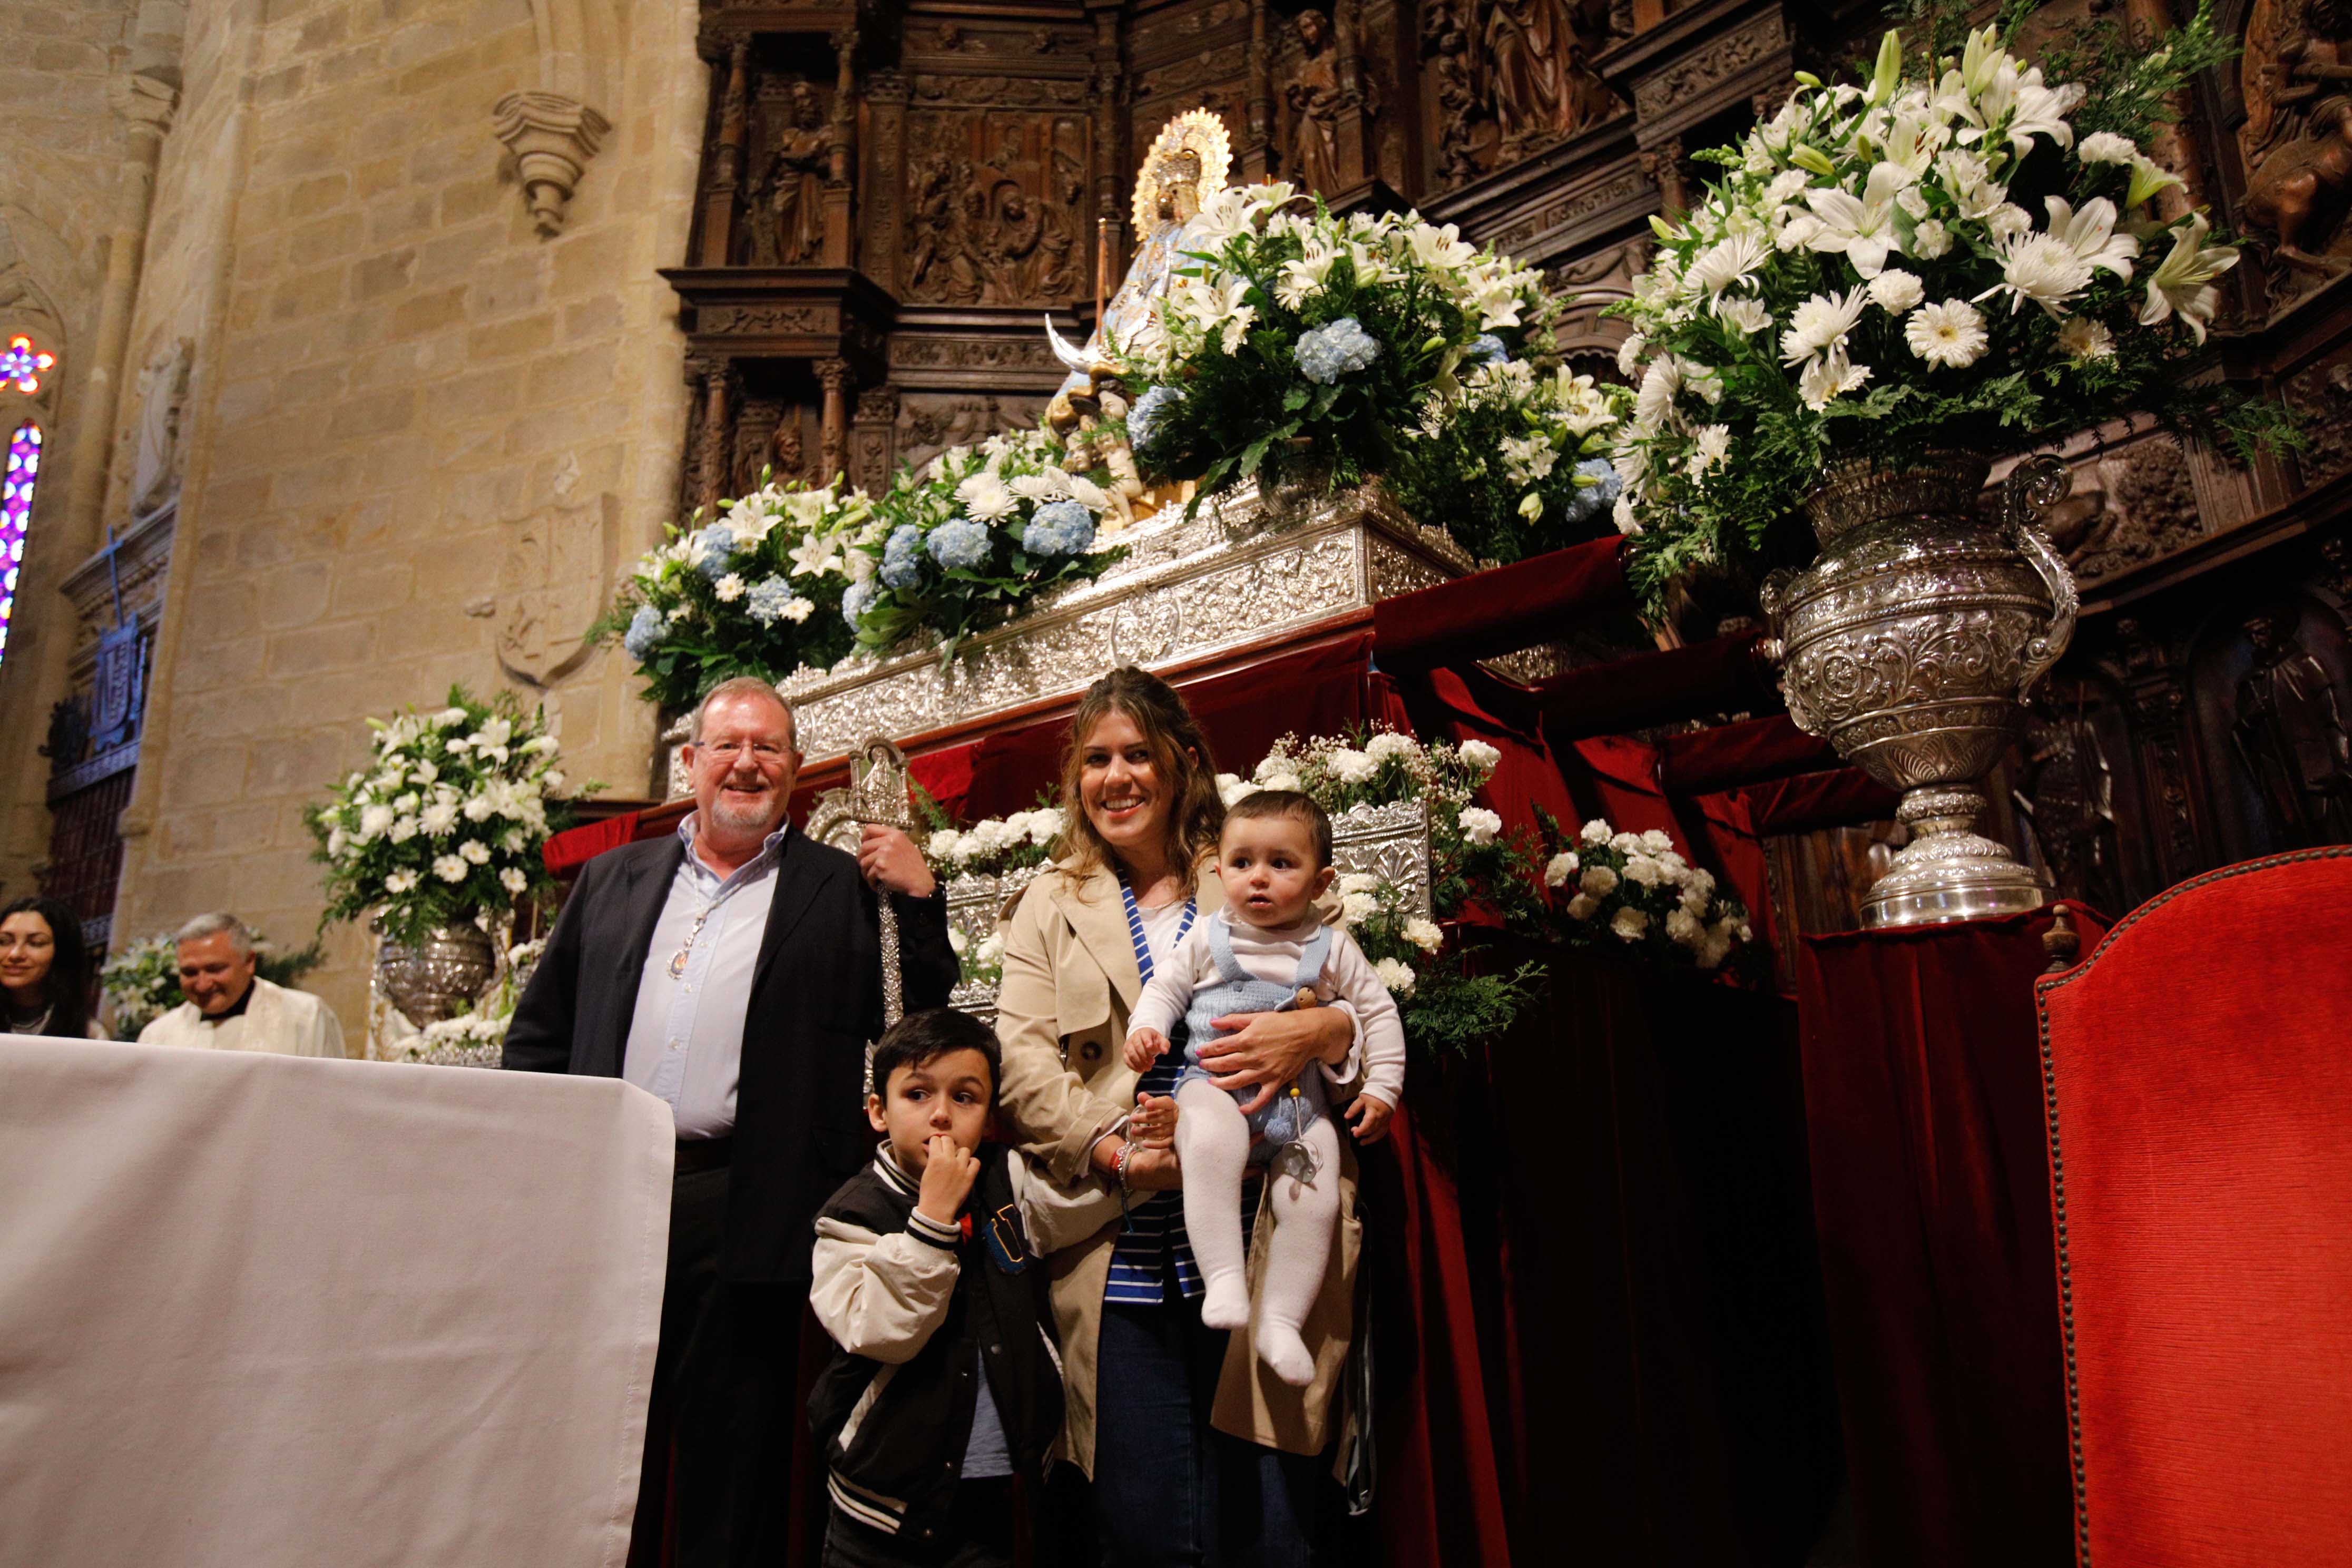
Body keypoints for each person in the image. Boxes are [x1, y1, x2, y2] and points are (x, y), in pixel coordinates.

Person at [503, 675, 957, 1568]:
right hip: (608, 1192)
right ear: (691, 763)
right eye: (728, 745)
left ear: (794, 770)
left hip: (751, 1199)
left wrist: (919, 897)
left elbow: (913, 1024)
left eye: (768, 748)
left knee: (730, 1453)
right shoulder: (609, 880)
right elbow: (539, 1038)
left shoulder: (840, 886)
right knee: (592, 1432)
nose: (746, 763)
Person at [994, 667, 1368, 1566]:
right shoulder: (1051, 901)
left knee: (1269, 1528)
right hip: (1120, 1256)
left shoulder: (1249, 859)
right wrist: (1118, 1153)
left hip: (1263, 1229)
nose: (1115, 778)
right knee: (1145, 1528)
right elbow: (1020, 1065)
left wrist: (1322, 1028)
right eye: (1095, 761)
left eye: (1135, 755)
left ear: (1182, 763)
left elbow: (1350, 985)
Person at [808, 1007, 1121, 1567]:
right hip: (881, 1509)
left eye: (965, 1098)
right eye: (918, 1095)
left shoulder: (1005, 1177)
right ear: (878, 1111)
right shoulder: (852, 1215)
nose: (941, 1116)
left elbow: (1073, 1207)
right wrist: (932, 1217)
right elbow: (880, 1330)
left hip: (996, 1485)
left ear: (991, 1115)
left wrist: (1145, 1168)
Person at [1124, 791, 1404, 1386]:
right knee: (1210, 1145)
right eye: (1243, 862)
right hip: (1214, 1089)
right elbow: (1166, 990)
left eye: (1282, 864)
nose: (1260, 879)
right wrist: (1147, 1030)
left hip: (1299, 1111)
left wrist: (1383, 1087)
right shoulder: (1207, 935)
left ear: (1321, 879)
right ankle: (1224, 1277)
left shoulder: (1331, 948)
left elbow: (1378, 1015)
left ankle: (1281, 1319)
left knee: (1316, 1198)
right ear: (1219, 870)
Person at [138, 912, 345, 1057]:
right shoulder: (158, 1036)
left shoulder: (305, 1017)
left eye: (215, 969)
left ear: (249, 962)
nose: (203, 984)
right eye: (190, 973)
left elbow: (329, 1100)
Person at [0, 895, 103, 1039]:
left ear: (62, 953)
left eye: (36, 943)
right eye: (4, 941)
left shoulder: (89, 1033)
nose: (15, 954)